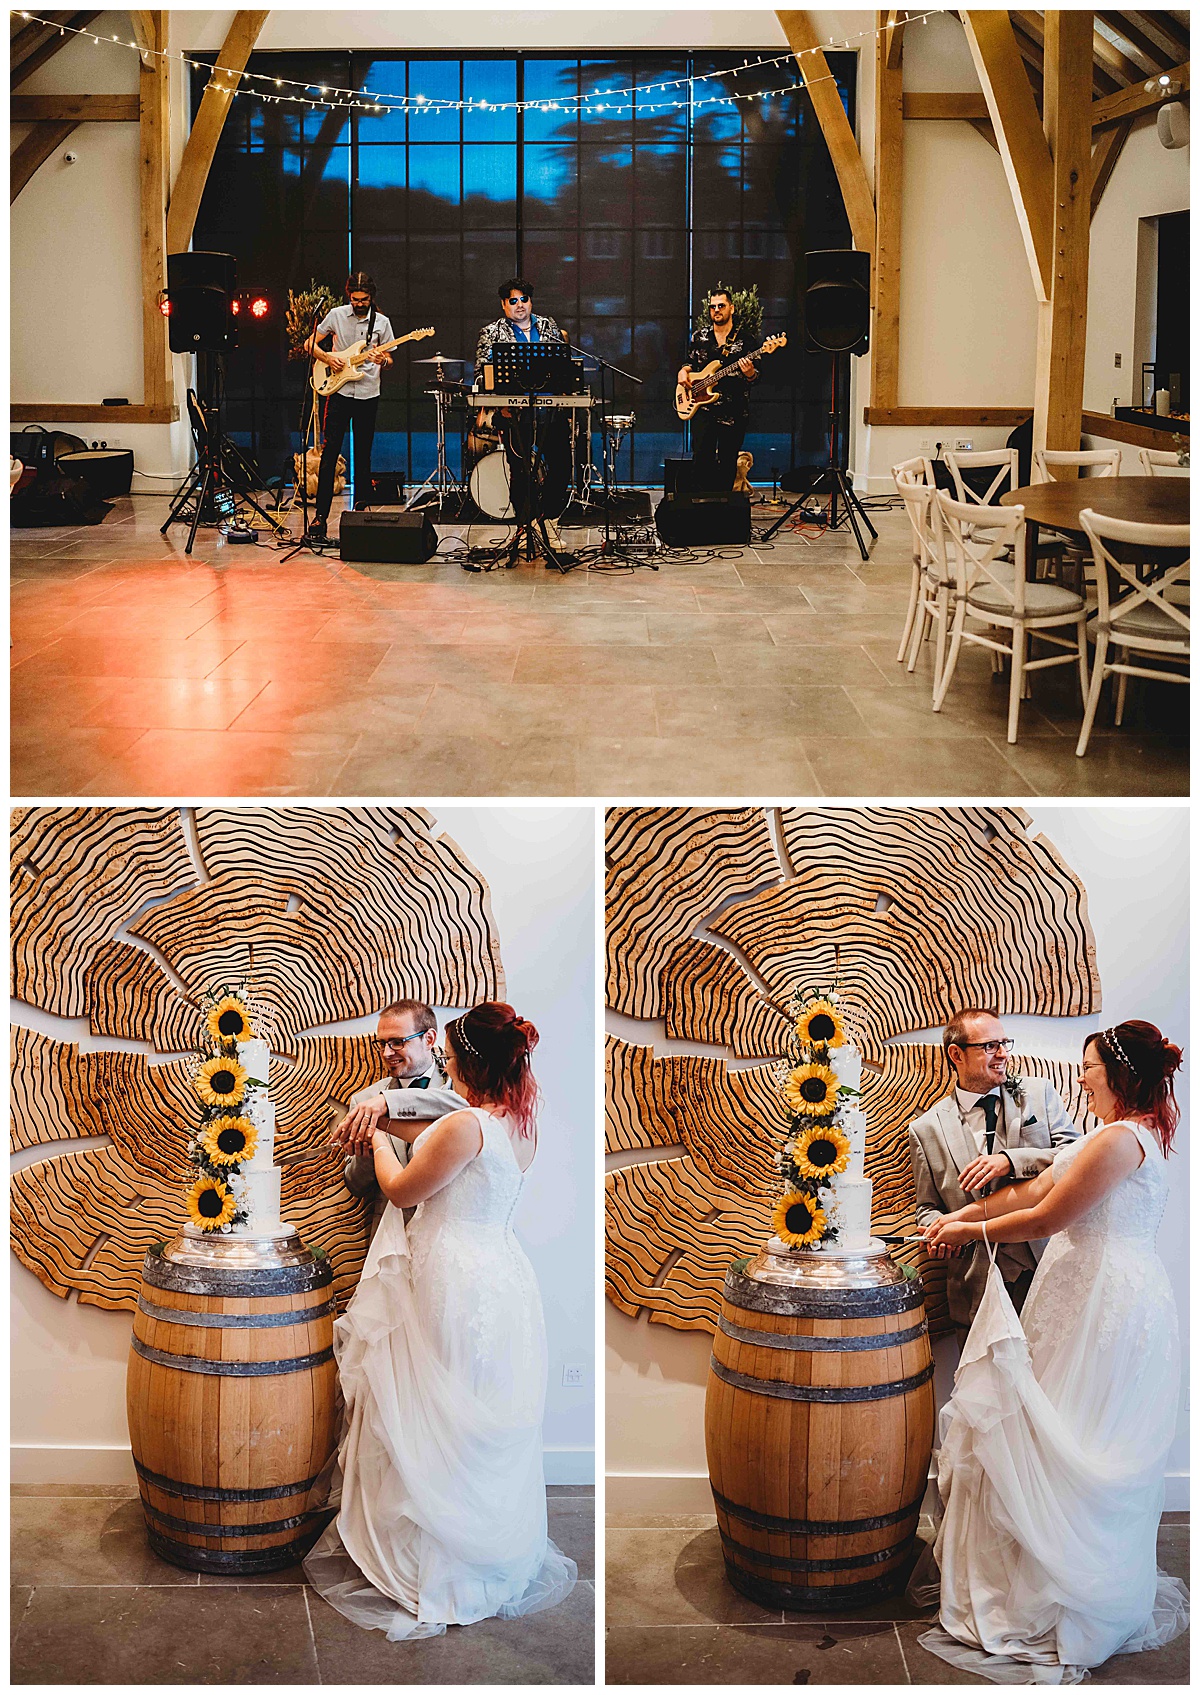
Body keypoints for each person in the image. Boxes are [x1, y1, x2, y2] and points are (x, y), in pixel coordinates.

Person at [912, 1020, 1188, 1682]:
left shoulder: (1123, 1139)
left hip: (1104, 1304)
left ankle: (1073, 1595)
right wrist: (958, 1219)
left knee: (1074, 1433)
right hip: (1074, 1296)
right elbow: (1033, 1190)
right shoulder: (1106, 1134)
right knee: (1045, 1427)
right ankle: (1037, 1573)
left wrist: (966, 1228)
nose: (1082, 1075)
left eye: (1090, 1066)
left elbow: (1045, 1217)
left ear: (1117, 1075)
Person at [303, 1001, 577, 1640]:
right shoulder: (522, 1124)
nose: (446, 1069)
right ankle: (486, 1560)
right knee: (470, 1414)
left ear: (470, 1064)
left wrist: (375, 1137)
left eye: (451, 1059)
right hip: (501, 1275)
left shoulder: (465, 1126)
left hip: (450, 1276)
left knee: (430, 1414)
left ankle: (437, 1568)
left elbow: (400, 1190)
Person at [908, 1008, 1077, 1328]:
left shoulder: (1039, 1094)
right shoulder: (925, 1129)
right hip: (976, 1287)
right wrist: (938, 1232)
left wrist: (1010, 1161)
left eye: (1005, 1043)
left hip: (1046, 1269)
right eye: (989, 1046)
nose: (1003, 1054)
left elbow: (1075, 1158)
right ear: (956, 1054)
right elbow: (927, 1207)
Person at [338, 999, 468, 1237]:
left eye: (398, 1042)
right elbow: (355, 1186)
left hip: (451, 1233)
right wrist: (367, 1156)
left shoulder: (459, 1089)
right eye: (382, 1043)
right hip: (393, 1239)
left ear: (428, 1039)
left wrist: (388, 1102)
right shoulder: (364, 1100)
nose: (387, 1053)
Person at [474, 278, 572, 547]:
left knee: (562, 466)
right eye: (513, 301)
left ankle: (549, 521)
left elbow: (563, 366)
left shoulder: (548, 327)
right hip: (514, 415)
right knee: (520, 471)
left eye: (524, 299)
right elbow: (481, 377)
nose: (520, 305)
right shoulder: (491, 332)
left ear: (531, 301)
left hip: (550, 411)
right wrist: (500, 402)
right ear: (504, 304)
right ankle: (526, 526)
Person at [303, 272, 394, 542]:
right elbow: (310, 344)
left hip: (368, 392)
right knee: (330, 452)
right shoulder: (336, 315)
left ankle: (361, 510)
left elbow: (389, 358)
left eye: (364, 300)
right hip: (339, 391)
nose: (359, 304)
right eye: (355, 299)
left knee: (363, 453)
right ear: (349, 297)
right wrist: (328, 358)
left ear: (371, 298)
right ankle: (320, 517)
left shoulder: (383, 322)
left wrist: (382, 360)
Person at [677, 287, 759, 491]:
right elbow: (690, 361)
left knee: (728, 460)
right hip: (702, 409)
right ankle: (700, 510)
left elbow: (757, 377)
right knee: (701, 459)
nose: (716, 310)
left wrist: (749, 373)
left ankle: (724, 511)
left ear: (731, 308)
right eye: (712, 307)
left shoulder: (746, 340)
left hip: (734, 410)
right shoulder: (700, 336)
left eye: (721, 306)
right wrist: (683, 372)